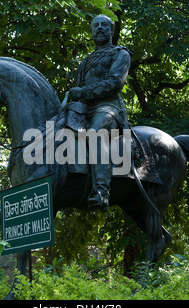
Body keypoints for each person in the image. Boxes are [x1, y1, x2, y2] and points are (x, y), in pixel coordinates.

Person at [68, 14, 131, 212]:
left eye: (104, 25)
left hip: (108, 107)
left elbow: (115, 83)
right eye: (96, 25)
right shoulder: (86, 60)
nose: (100, 28)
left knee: (96, 132)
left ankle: (101, 191)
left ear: (112, 30)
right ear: (92, 31)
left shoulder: (120, 54)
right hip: (83, 108)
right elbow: (77, 89)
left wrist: (84, 92)